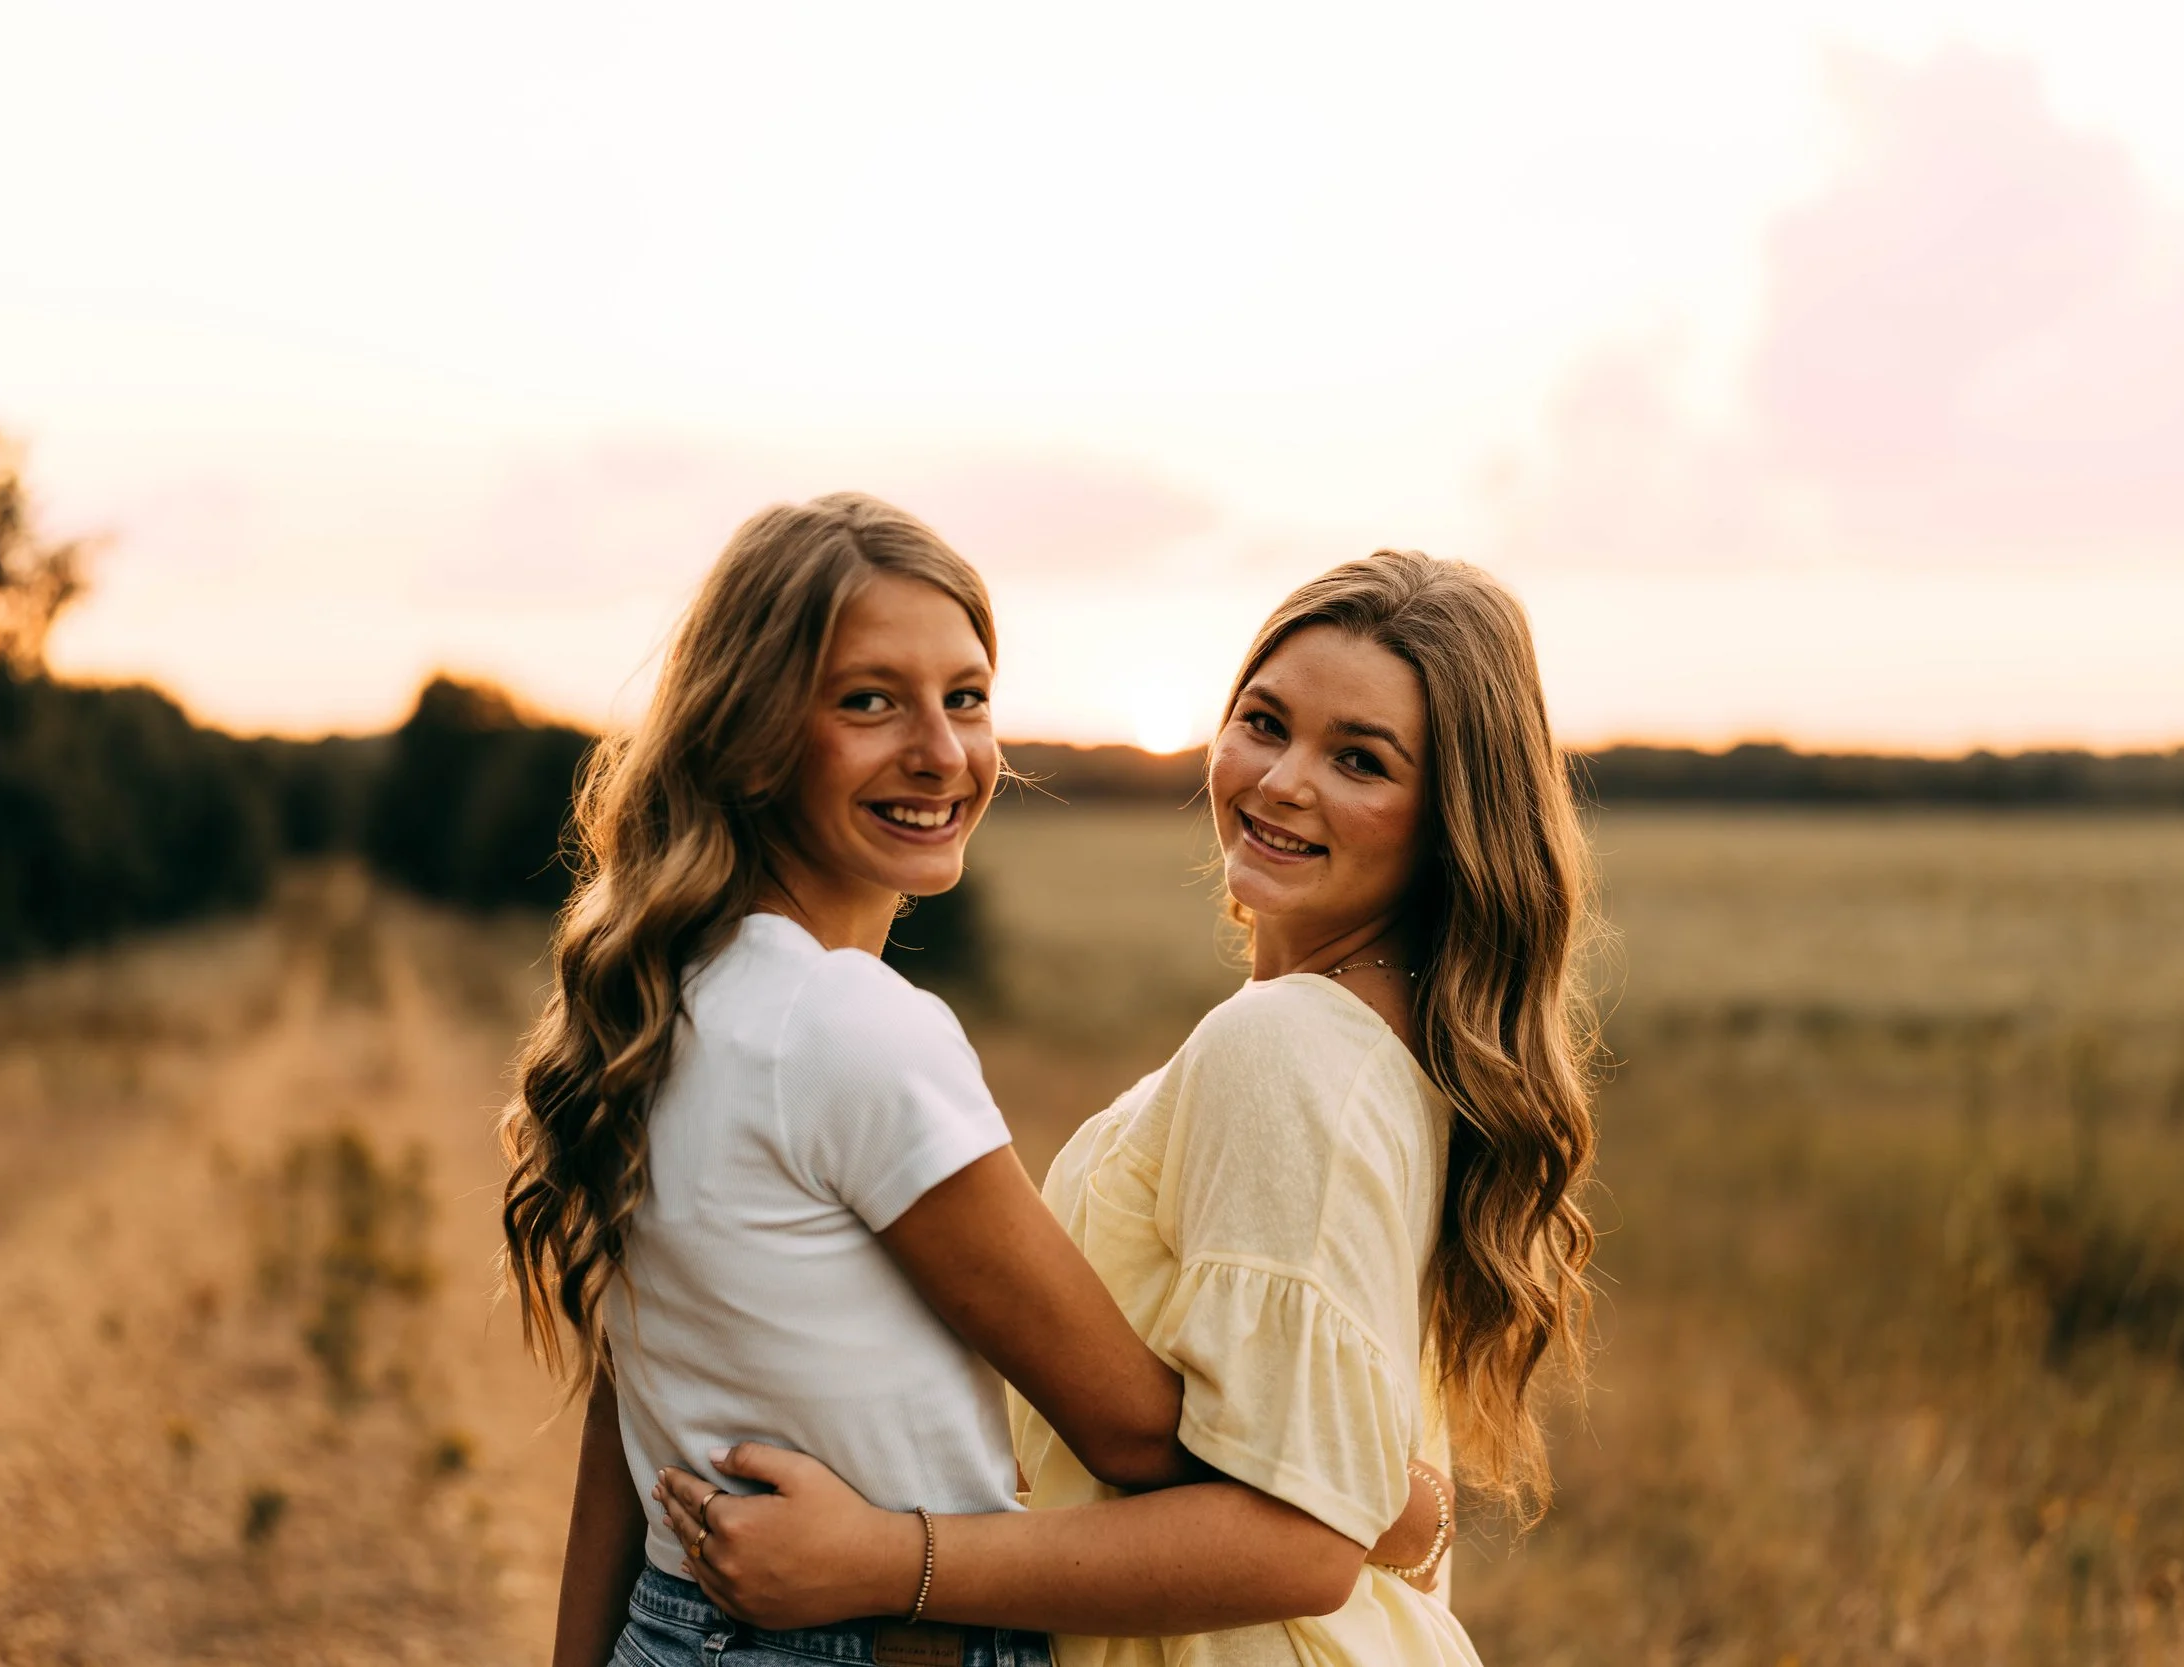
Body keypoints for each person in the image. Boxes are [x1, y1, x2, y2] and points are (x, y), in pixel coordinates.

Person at [499, 498, 1452, 1667]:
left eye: (965, 697)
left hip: (675, 1623)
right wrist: (1383, 1493)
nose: (941, 751)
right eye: (868, 699)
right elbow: (1136, 1433)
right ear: (751, 730)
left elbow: (624, 1423)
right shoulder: (852, 1024)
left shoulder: (664, 1000)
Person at [657, 549, 1600, 1666]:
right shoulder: (1389, 1049)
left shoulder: (1289, 1046)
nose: (1283, 780)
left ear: (1450, 814)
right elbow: (1346, 1491)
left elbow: (1299, 1545)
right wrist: (1400, 1504)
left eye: (1359, 759)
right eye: (1264, 722)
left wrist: (884, 1559)